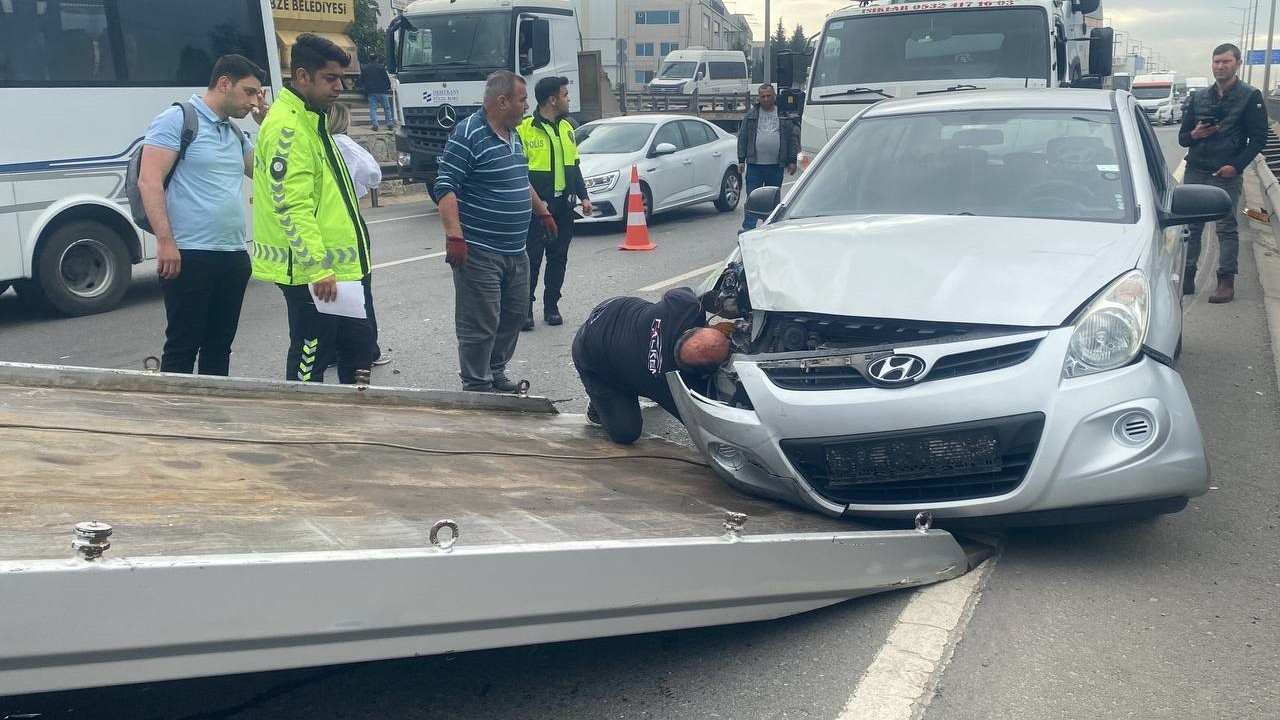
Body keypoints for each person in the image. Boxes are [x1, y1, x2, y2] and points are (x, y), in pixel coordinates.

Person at [252, 33, 375, 384]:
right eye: (331, 78)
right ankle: (308, 428)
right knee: (311, 359)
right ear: (302, 76)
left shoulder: (311, 120)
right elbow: (291, 207)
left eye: (342, 78)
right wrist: (318, 267)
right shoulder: (290, 129)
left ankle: (353, 425)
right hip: (316, 276)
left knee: (358, 351)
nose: (340, 87)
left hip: (341, 272)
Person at [139, 54, 269, 376]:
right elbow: (149, 179)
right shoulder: (178, 120)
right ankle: (177, 419)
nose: (254, 102)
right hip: (190, 254)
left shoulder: (235, 133)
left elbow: (267, 173)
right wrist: (166, 242)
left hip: (233, 255)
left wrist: (267, 125)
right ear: (224, 83)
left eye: (258, 95)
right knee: (183, 345)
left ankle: (212, 416)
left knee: (219, 346)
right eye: (250, 92)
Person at [433, 70, 557, 393]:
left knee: (514, 315)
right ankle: (476, 383)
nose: (526, 106)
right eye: (522, 99)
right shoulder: (468, 133)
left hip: (516, 250)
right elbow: (445, 186)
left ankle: (495, 371)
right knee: (480, 323)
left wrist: (542, 212)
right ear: (502, 102)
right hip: (480, 251)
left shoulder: (513, 136)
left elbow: (519, 180)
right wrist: (454, 236)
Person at [572, 288, 731, 446]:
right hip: (591, 352)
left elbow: (676, 292)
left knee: (636, 372)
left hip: (615, 308)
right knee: (625, 433)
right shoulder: (667, 385)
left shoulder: (686, 307)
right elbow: (703, 426)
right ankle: (598, 402)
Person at [1179, 42, 1269, 304]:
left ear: (1237, 64)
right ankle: (1187, 276)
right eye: (1216, 61)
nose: (1220, 66)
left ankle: (1226, 281)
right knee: (1190, 227)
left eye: (1226, 61)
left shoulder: (1251, 97)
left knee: (1226, 228)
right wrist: (1195, 134)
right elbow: (1183, 138)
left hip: (1226, 172)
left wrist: (1237, 166)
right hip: (1196, 169)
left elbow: (1259, 138)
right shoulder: (1198, 97)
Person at [517, 75, 592, 331]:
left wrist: (584, 196)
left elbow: (574, 164)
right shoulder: (525, 128)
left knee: (558, 258)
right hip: (538, 208)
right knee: (532, 259)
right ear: (552, 99)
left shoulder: (568, 127)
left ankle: (551, 307)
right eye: (565, 94)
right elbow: (519, 172)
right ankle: (525, 310)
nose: (568, 99)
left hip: (564, 207)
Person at [328, 102, 391, 367]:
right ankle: (367, 350)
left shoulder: (311, 142)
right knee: (359, 286)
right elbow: (373, 174)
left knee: (327, 291)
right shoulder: (343, 143)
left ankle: (331, 349)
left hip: (321, 224)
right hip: (347, 221)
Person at [737, 83, 798, 234]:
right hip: (755, 166)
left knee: (772, 200)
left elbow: (791, 139)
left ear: (774, 96)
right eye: (762, 96)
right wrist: (741, 160)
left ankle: (770, 228)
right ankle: (748, 229)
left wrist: (792, 160)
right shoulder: (751, 115)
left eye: (768, 96)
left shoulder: (783, 115)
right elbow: (743, 138)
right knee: (753, 198)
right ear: (759, 97)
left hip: (776, 166)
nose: (765, 99)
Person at [359, 55, 394, 132]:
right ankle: (390, 124)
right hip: (382, 91)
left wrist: (362, 89)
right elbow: (386, 78)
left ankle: (375, 125)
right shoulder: (381, 67)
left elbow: (361, 80)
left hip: (371, 92)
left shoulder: (365, 68)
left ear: (369, 59)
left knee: (373, 109)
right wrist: (388, 87)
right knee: (387, 108)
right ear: (377, 59)